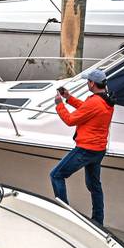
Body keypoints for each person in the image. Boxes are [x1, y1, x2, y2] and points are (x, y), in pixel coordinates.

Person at [51, 69, 116, 226]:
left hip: (86, 150)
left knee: (56, 175)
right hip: (99, 150)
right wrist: (68, 98)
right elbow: (85, 108)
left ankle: (64, 212)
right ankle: (98, 220)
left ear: (92, 83)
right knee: (94, 186)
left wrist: (59, 104)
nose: (87, 83)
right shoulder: (105, 100)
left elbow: (70, 120)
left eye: (88, 81)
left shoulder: (95, 102)